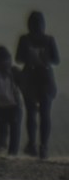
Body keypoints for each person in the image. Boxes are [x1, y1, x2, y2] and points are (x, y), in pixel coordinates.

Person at [16, 12, 60, 159]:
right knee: (45, 113)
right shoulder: (49, 39)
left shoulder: (24, 39)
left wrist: (30, 56)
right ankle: (44, 147)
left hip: (29, 79)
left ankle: (33, 144)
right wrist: (44, 58)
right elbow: (56, 60)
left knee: (31, 113)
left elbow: (19, 59)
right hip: (46, 78)